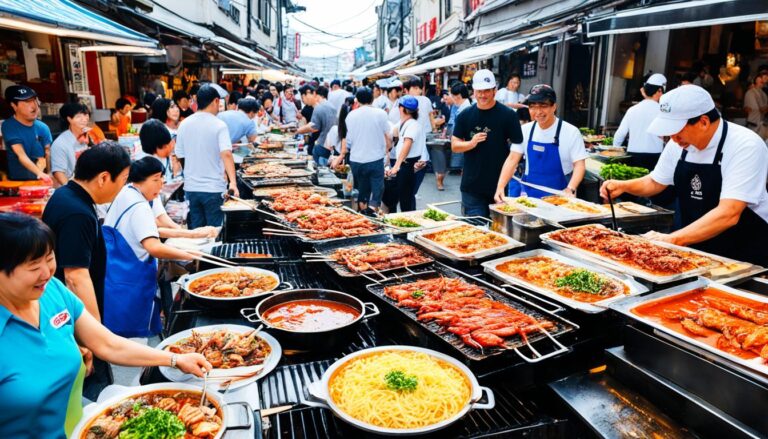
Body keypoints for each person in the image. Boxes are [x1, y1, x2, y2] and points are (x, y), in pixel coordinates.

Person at [0, 212, 210, 438]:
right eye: (33, 266)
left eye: (50, 258)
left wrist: (176, 360)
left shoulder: (52, 292)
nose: (46, 272)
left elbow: (107, 343)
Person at [601, 85, 768, 266]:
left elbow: (729, 213)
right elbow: (655, 181)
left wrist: (673, 239)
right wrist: (623, 186)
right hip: (695, 242)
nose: (672, 137)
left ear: (703, 122)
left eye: (677, 129)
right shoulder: (678, 144)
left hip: (744, 249)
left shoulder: (745, 145)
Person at [42, 143, 131, 399]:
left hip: (65, 313)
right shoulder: (77, 213)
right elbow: (75, 276)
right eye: (122, 180)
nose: (122, 188)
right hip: (72, 319)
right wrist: (93, 336)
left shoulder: (65, 195)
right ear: (104, 177)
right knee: (95, 395)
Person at [102, 158, 198, 339]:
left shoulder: (126, 193)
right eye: (155, 179)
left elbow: (147, 230)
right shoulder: (140, 206)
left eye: (161, 178)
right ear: (139, 180)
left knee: (118, 335)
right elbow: (153, 247)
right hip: (131, 281)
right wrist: (190, 255)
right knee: (135, 343)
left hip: (115, 277)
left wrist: (191, 235)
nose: (161, 184)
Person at [495, 84, 588, 201]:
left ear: (554, 106)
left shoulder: (571, 132)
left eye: (543, 106)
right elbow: (512, 159)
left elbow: (579, 165)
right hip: (530, 198)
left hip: (560, 198)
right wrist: (500, 186)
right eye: (532, 106)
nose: (538, 111)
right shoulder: (525, 130)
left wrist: (571, 188)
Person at [452, 70, 523, 218]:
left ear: (494, 91)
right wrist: (471, 143)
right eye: (479, 91)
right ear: (474, 91)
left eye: (487, 91)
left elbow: (517, 147)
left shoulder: (508, 115)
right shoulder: (464, 115)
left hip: (499, 185)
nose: (482, 95)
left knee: (499, 233)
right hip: (472, 186)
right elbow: (455, 145)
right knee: (474, 233)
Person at [175, 83, 238, 228]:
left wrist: (191, 172)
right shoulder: (219, 125)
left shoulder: (184, 124)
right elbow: (227, 154)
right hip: (213, 189)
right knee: (215, 232)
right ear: (216, 101)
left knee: (196, 233)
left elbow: (180, 155)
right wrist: (233, 183)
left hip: (191, 189)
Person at [343, 88, 392, 214]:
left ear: (357, 100)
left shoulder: (350, 116)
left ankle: (363, 214)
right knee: (377, 190)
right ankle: (372, 213)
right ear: (372, 99)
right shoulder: (381, 114)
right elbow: (388, 136)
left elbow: (349, 140)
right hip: (375, 159)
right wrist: (388, 150)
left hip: (356, 161)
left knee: (362, 190)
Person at [613, 74, 667, 171]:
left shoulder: (632, 110)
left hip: (633, 156)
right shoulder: (663, 111)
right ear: (659, 90)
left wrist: (614, 152)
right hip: (655, 157)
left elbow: (620, 134)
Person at [2, 85, 52, 183]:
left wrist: (49, 173)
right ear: (14, 105)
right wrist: (39, 173)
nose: (34, 106)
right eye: (27, 102)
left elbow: (48, 152)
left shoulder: (43, 127)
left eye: (34, 100)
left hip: (42, 181)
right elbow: (21, 154)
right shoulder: (9, 125)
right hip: (19, 181)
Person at [386, 96, 424, 212]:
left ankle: (408, 228)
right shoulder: (403, 122)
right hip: (405, 165)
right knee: (399, 197)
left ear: (401, 108)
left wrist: (396, 166)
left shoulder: (413, 124)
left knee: (406, 200)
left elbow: (407, 144)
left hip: (409, 165)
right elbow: (394, 133)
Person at [402, 77, 433, 191]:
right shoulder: (426, 100)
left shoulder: (404, 101)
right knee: (421, 161)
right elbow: (431, 117)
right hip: (422, 137)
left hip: (410, 138)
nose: (418, 91)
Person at [51, 103, 90, 187]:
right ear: (69, 119)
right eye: (79, 116)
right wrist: (71, 191)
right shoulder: (60, 143)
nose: (84, 119)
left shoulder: (86, 136)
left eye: (85, 114)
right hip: (71, 187)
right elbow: (58, 173)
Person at [299, 86, 336, 166]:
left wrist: (298, 130)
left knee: (321, 172)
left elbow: (313, 127)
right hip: (330, 145)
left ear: (315, 94)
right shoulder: (332, 107)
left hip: (322, 145)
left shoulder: (319, 107)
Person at [744, 74, 768, 139]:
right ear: (757, 79)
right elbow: (761, 109)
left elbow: (764, 110)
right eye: (762, 77)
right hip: (754, 124)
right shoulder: (750, 92)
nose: (764, 79)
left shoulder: (764, 94)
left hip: (761, 124)